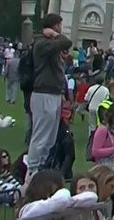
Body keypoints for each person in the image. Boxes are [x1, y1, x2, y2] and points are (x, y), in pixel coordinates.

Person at [27, 14, 72, 182]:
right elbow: (66, 42)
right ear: (54, 26)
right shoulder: (42, 43)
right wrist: (54, 35)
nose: (61, 28)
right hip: (43, 93)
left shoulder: (51, 43)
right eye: (59, 25)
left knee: (50, 137)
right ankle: (32, 170)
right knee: (41, 135)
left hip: (54, 93)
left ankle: (42, 166)